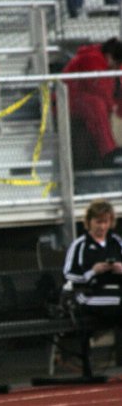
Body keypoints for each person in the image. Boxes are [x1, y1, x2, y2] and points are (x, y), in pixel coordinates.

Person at [61, 37, 122, 168]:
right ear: (109, 56)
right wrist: (112, 106)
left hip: (86, 99)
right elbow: (99, 89)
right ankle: (108, 151)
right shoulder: (91, 59)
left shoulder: (108, 63)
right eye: (116, 64)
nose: (117, 68)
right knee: (96, 105)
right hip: (71, 100)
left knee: (99, 104)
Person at [63, 199, 122, 323]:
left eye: (105, 222)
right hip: (90, 294)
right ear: (89, 222)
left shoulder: (116, 242)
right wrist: (93, 272)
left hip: (116, 290)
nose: (102, 226)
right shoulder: (80, 244)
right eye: (98, 222)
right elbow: (68, 274)